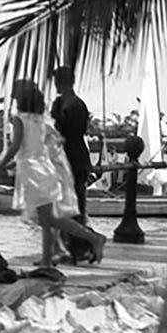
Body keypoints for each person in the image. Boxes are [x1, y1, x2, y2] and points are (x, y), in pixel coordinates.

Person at [0, 79, 106, 269]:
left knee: (47, 219)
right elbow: (56, 142)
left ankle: (91, 238)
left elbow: (16, 146)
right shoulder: (44, 121)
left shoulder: (19, 120)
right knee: (47, 219)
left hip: (32, 172)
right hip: (46, 170)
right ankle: (49, 258)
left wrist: (1, 164)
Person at [50, 66, 95, 262]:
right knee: (68, 207)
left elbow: (67, 132)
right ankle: (71, 247)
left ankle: (80, 247)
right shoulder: (65, 103)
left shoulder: (72, 106)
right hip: (70, 159)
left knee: (74, 208)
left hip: (72, 160)